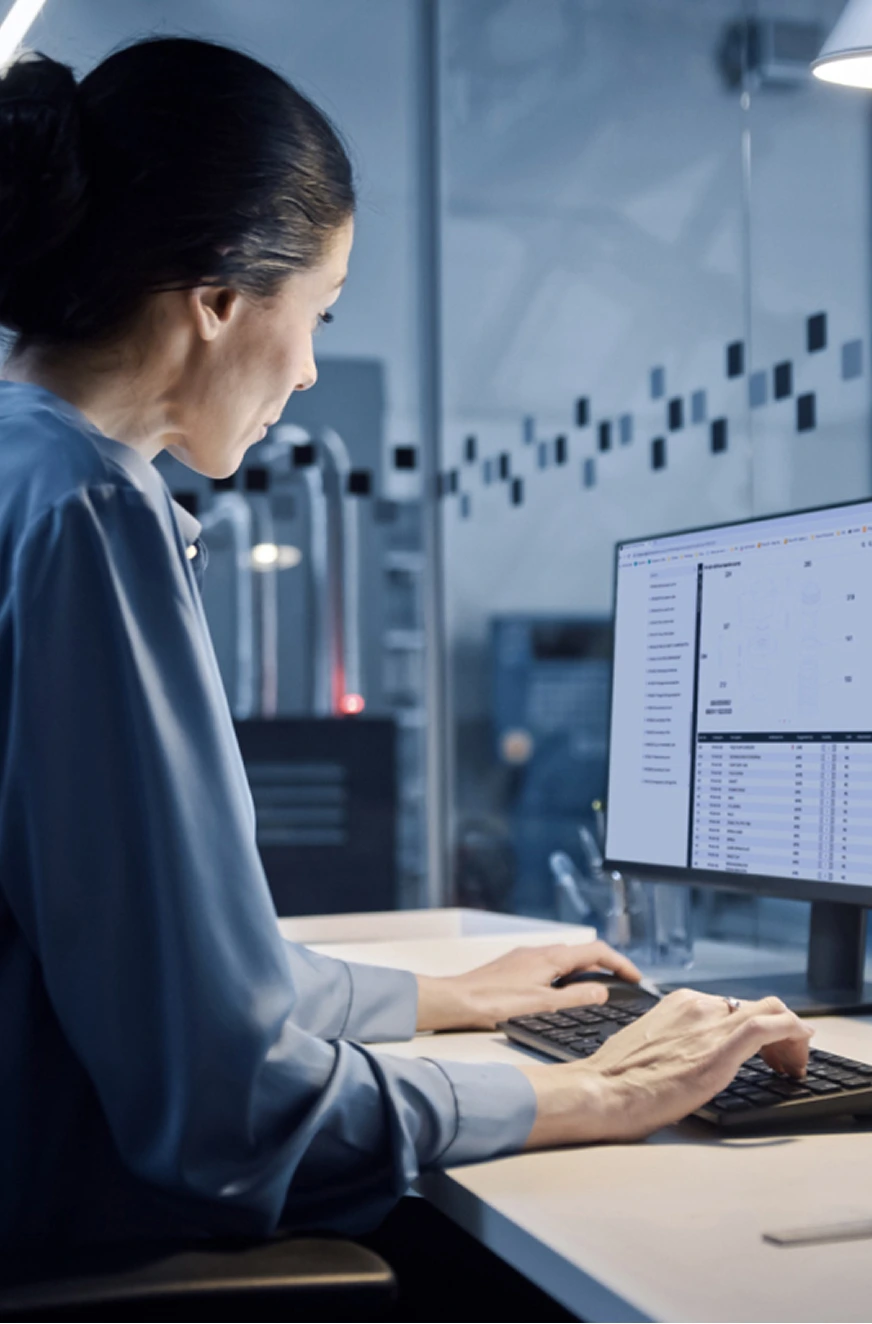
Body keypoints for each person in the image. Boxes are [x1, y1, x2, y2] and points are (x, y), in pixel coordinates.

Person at [0, 37, 811, 1253]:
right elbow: (227, 1110)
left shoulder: (30, 467)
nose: (313, 367)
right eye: (316, 313)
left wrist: (445, 996)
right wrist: (592, 1089)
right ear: (218, 299)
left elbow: (172, 980)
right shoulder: (87, 513)